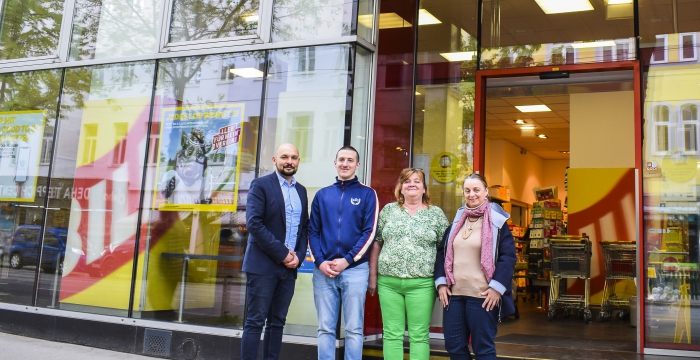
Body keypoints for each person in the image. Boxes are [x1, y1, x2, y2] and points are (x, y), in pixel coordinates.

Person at [368, 168, 449, 360]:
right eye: (407, 181)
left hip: (422, 284)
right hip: (388, 283)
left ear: (424, 189)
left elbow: (445, 250)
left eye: (417, 181)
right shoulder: (388, 210)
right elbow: (377, 243)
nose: (412, 184)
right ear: (401, 188)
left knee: (419, 336)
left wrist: (443, 280)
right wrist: (373, 276)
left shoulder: (435, 214)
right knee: (392, 334)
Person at [434, 173, 516, 360]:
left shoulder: (497, 223)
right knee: (454, 348)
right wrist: (441, 283)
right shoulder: (457, 221)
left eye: (476, 190)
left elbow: (508, 257)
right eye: (467, 190)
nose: (472, 194)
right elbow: (442, 252)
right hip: (454, 296)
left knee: (483, 350)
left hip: (482, 296)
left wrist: (497, 289)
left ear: (486, 192)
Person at [308, 145, 378, 360]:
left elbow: (370, 232)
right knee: (325, 329)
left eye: (350, 160)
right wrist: (320, 262)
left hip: (355, 270)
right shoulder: (322, 195)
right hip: (324, 270)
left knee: (354, 329)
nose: (345, 164)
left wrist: (347, 260)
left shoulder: (368, 194)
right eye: (341, 159)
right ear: (335, 163)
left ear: (357, 165)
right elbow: (313, 231)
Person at [241, 143, 309, 360]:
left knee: (277, 322)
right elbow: (254, 224)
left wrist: (297, 256)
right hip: (263, 266)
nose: (289, 161)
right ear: (274, 160)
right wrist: (283, 253)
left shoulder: (301, 191)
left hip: (288, 269)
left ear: (298, 161)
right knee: (255, 322)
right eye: (284, 157)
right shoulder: (260, 185)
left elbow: (303, 228)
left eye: (294, 157)